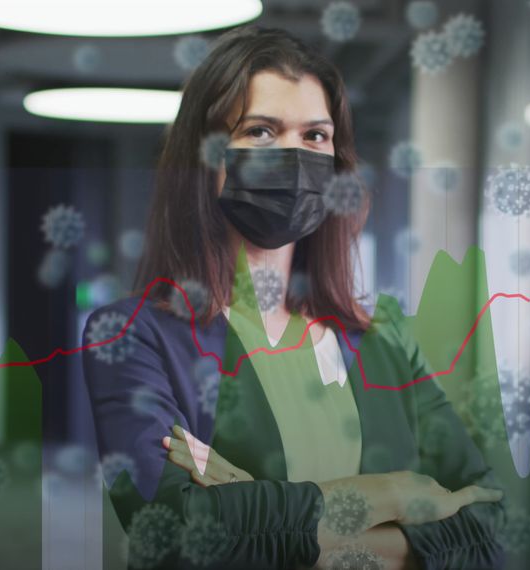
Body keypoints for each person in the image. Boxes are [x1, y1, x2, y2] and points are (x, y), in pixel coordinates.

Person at [82, 24, 506, 570]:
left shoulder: (383, 340)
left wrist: (261, 512)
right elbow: (172, 533)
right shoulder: (131, 336)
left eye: (315, 136)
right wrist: (396, 495)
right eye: (260, 131)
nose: (294, 155)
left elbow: (489, 526)